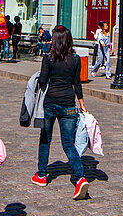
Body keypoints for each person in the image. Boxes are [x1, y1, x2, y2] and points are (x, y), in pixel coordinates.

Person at [32, 26, 90, 199]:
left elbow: (43, 80)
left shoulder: (48, 58)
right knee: (68, 144)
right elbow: (77, 83)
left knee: (45, 139)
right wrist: (81, 102)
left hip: (50, 103)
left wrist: (39, 79)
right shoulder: (75, 59)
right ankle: (80, 178)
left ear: (54, 40)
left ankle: (42, 175)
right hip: (68, 104)